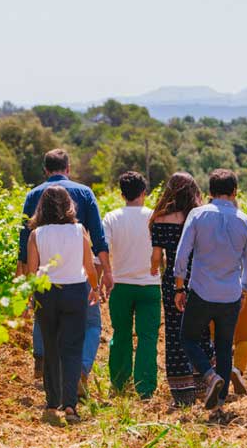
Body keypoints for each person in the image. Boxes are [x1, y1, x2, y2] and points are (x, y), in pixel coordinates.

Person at [17, 148, 114, 395]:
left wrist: (24, 279)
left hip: (45, 275)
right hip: (77, 274)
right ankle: (80, 370)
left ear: (46, 170)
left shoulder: (33, 195)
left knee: (45, 318)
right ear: (68, 169)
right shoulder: (85, 193)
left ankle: (41, 359)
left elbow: (25, 238)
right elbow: (99, 237)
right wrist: (107, 273)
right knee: (91, 324)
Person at [174, 169, 247, 411]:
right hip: (230, 294)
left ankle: (210, 377)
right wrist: (244, 290)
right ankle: (220, 404)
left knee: (187, 338)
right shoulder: (244, 221)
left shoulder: (198, 215)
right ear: (234, 192)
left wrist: (179, 287)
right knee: (224, 344)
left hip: (201, 291)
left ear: (209, 192)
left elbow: (182, 253)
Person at [25, 185, 100, 423]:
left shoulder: (37, 234)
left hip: (47, 293)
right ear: (69, 206)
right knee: (72, 348)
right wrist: (95, 289)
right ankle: (70, 405)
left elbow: (32, 271)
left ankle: (52, 403)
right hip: (75, 292)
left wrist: (30, 297)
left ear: (41, 207)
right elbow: (89, 266)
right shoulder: (80, 231)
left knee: (51, 346)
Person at [149, 172, 214, 407]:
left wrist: (154, 268)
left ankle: (182, 392)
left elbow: (157, 257)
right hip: (198, 279)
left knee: (175, 332)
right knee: (201, 330)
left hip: (172, 283)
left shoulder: (160, 219)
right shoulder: (199, 217)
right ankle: (204, 381)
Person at [103, 171, 161, 399]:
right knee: (148, 337)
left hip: (121, 285)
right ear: (144, 193)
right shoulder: (154, 217)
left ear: (121, 194)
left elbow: (102, 251)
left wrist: (105, 275)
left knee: (121, 333)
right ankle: (145, 387)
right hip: (149, 285)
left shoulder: (111, 218)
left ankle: (119, 383)